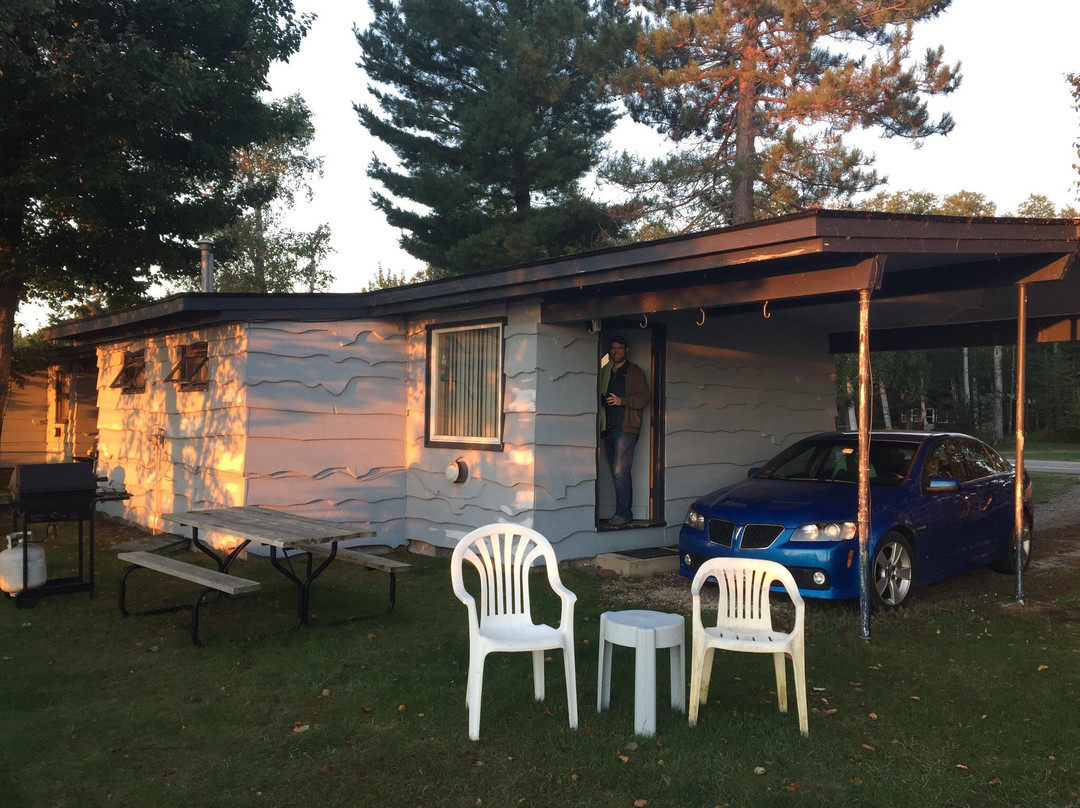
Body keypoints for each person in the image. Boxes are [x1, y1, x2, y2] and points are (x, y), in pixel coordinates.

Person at [599, 335, 650, 526]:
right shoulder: (606, 371)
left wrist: (622, 401)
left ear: (626, 350)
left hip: (627, 429)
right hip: (608, 427)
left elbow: (644, 398)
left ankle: (624, 514)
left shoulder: (634, 371)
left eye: (619, 348)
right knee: (615, 472)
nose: (616, 352)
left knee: (620, 471)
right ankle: (621, 512)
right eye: (613, 348)